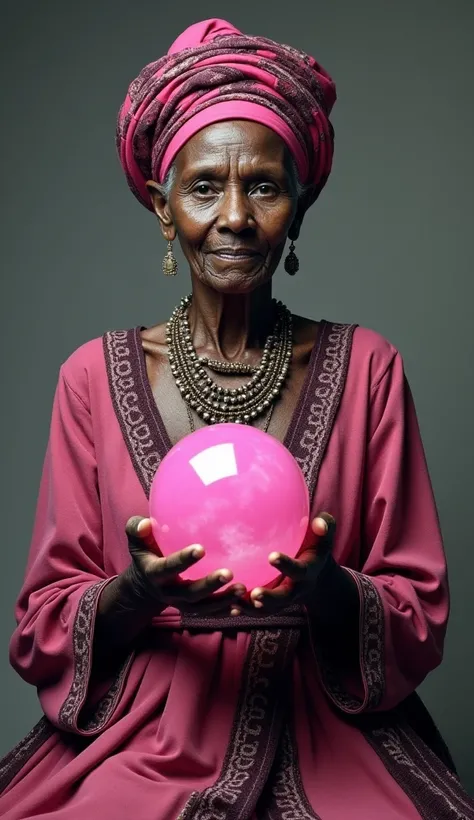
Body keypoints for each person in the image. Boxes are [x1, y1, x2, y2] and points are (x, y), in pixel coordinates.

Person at [0, 17, 472, 820]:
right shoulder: (90, 375)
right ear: (162, 205)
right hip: (142, 729)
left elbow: (418, 607)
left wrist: (328, 590)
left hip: (331, 725)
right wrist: (132, 596)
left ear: (300, 200)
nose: (235, 218)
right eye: (203, 187)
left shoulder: (368, 370)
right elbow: (43, 615)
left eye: (263, 185)